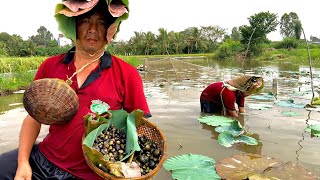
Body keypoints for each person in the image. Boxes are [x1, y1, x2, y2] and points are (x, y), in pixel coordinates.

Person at [0, 0, 151, 179]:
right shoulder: (50, 66)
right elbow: (33, 119)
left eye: (101, 22)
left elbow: (140, 127)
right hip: (45, 160)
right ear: (73, 25)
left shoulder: (127, 73)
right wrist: (23, 162)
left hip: (93, 173)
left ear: (111, 30)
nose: (93, 29)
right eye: (86, 20)